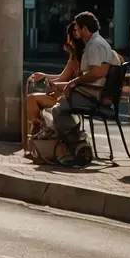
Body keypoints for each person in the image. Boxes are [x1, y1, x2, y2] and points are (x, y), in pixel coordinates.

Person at [50, 11, 114, 153]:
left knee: (57, 110)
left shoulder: (94, 46)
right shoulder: (100, 42)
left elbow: (95, 72)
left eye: (78, 28)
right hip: (93, 92)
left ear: (85, 29)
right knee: (60, 102)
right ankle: (75, 142)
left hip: (91, 95)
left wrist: (73, 82)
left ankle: (77, 143)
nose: (76, 31)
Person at [25, 22, 83, 156]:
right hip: (63, 92)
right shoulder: (73, 56)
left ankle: (38, 135)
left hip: (69, 95)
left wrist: (54, 85)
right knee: (32, 99)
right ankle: (37, 135)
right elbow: (63, 76)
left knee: (33, 99)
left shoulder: (80, 57)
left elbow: (70, 81)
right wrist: (46, 78)